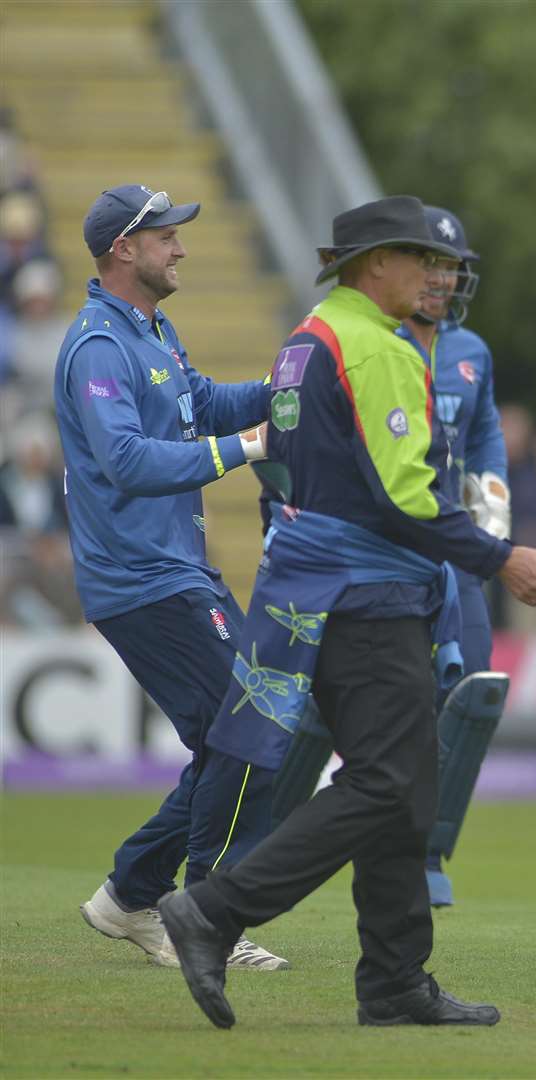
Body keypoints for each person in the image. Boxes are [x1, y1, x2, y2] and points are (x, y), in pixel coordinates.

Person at [158, 195, 536, 1030]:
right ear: (371, 264)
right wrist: (500, 559)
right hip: (369, 593)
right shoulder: (373, 348)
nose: (434, 273)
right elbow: (405, 496)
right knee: (387, 783)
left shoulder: (308, 337)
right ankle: (215, 910)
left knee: (407, 786)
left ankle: (393, 980)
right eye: (417, 257)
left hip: (325, 587)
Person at [54, 185, 288, 970]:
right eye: (166, 237)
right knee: (245, 734)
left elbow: (201, 403)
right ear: (125, 248)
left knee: (240, 738)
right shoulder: (96, 345)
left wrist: (285, 391)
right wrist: (247, 448)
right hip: (140, 577)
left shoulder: (151, 330)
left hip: (178, 568)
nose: (181, 248)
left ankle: (134, 896)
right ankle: (194, 913)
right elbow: (122, 460)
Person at [397, 205, 510, 907]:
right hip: (385, 547)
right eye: (432, 265)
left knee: (470, 695)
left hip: (455, 552)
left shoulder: (471, 352)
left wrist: (491, 509)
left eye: (452, 267)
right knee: (389, 700)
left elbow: (485, 437)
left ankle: (430, 849)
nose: (444, 279)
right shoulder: (363, 343)